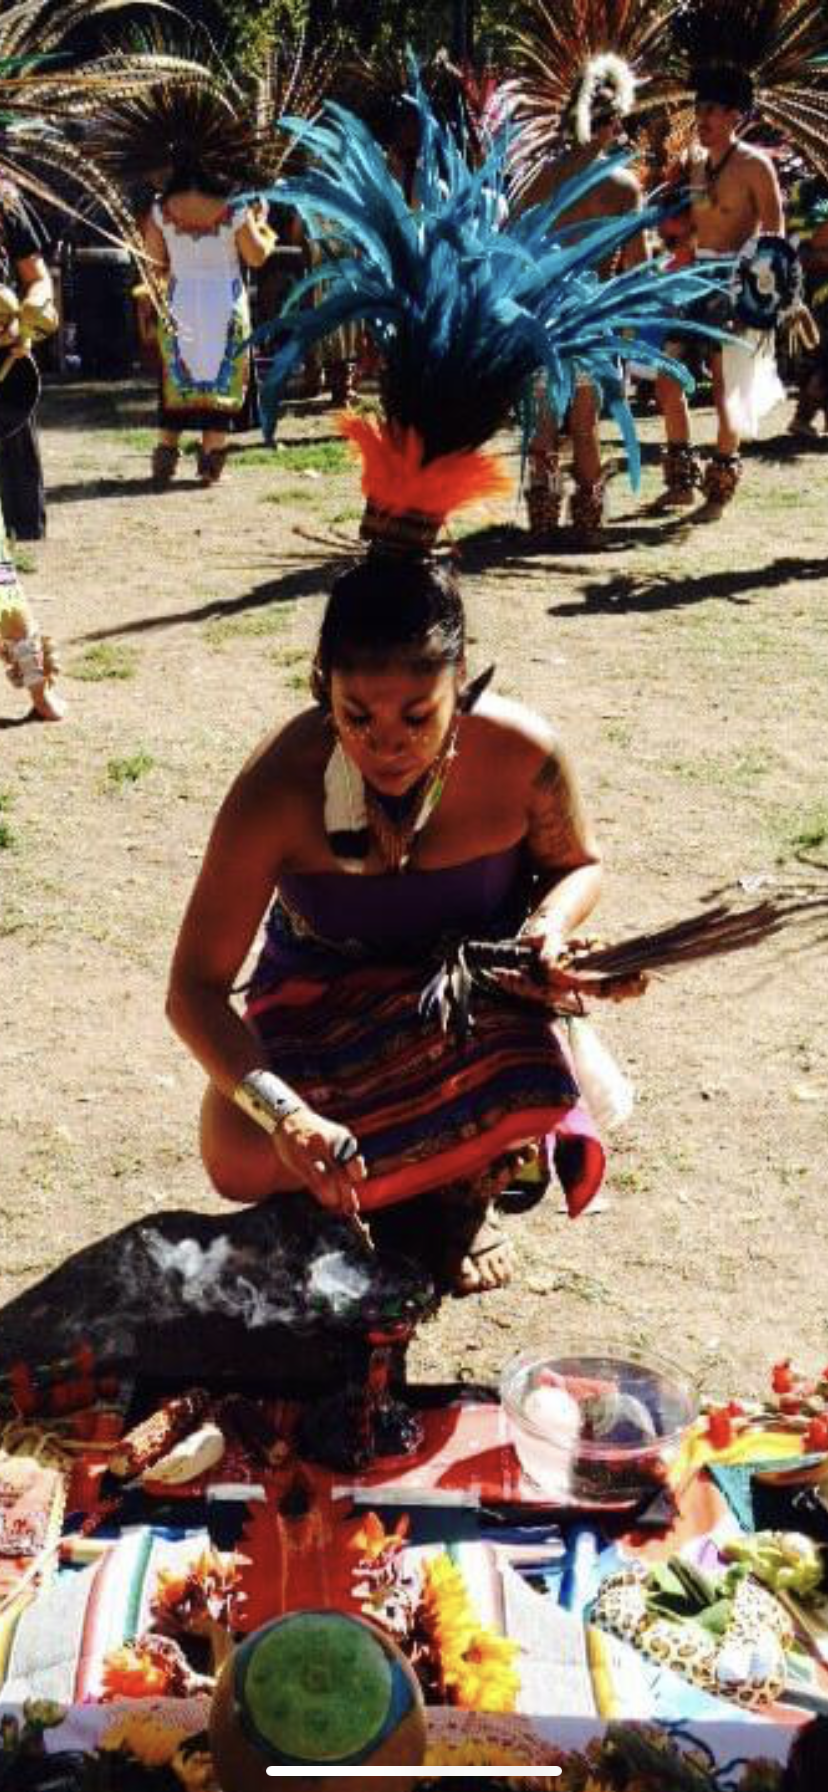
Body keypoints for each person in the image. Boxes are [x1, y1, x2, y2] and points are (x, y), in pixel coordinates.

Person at [167, 551, 642, 1295]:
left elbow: (578, 863)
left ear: (463, 682)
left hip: (469, 1004)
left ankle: (457, 1199)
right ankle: (342, 1192)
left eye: (418, 716)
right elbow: (193, 989)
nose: (387, 744)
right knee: (239, 1154)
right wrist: (288, 1118)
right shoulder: (279, 785)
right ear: (322, 686)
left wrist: (545, 933)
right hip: (320, 1006)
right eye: (357, 716)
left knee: (527, 1088)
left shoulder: (521, 753)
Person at [517, 55, 647, 546]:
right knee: (586, 423)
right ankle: (589, 524)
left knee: (544, 418)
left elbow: (514, 240)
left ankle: (542, 520)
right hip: (592, 313)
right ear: (609, 123)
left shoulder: (544, 177)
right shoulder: (624, 186)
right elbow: (637, 264)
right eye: (620, 124)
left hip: (545, 312)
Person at [653, 63, 784, 519]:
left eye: (711, 109)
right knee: (667, 379)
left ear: (734, 115)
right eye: (699, 108)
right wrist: (673, 233)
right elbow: (696, 222)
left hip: (734, 281)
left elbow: (775, 233)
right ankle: (681, 483)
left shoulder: (755, 166)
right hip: (695, 278)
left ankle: (719, 490)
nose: (702, 118)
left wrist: (764, 292)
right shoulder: (696, 164)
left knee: (725, 384)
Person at [143, 173, 272, 488]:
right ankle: (211, 462)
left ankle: (165, 457)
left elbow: (153, 263)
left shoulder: (160, 208)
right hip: (224, 303)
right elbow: (256, 257)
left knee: (177, 381)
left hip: (180, 302)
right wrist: (262, 223)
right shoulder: (235, 207)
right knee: (221, 383)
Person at [0, 182, 57, 542]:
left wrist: (27, 318)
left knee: (15, 451)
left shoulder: (5, 202)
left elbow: (38, 279)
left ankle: (18, 536)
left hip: (6, 356)